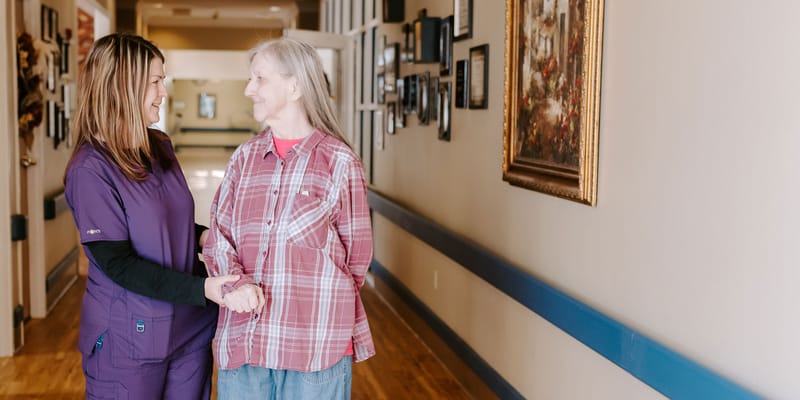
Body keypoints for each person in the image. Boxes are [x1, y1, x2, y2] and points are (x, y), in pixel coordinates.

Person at [64, 33, 262, 399]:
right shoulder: (90, 169)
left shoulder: (160, 147)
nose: (163, 92)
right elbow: (119, 263)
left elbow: (165, 224)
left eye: (162, 80)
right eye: (155, 82)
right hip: (130, 337)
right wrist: (204, 288)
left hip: (189, 326)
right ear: (123, 86)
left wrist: (206, 236)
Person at [203, 38, 376, 400]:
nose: (249, 90)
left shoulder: (340, 163)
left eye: (260, 79)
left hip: (316, 350)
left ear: (295, 86)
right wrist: (236, 286)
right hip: (247, 345)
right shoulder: (244, 159)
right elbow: (219, 237)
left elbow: (357, 262)